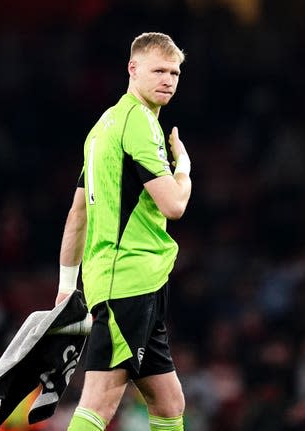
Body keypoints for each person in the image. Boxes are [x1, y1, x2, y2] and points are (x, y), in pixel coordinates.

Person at [54, 32, 192, 431]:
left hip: (132, 281)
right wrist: (183, 167)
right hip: (127, 281)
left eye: (175, 72)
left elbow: (78, 212)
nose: (168, 79)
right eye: (158, 70)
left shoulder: (102, 128)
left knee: (169, 402)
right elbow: (174, 205)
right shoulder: (139, 125)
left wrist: (67, 284)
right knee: (99, 399)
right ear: (132, 69)